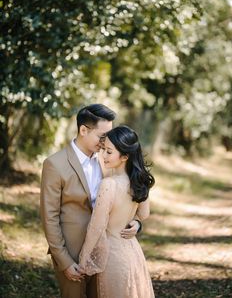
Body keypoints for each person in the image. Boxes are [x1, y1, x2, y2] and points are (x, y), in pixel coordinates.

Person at [40, 104, 142, 298]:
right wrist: (64, 261)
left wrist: (136, 222)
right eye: (102, 136)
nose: (106, 141)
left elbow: (126, 196)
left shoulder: (108, 160)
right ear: (83, 130)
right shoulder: (54, 164)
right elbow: (49, 218)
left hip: (105, 253)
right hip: (72, 253)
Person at [77, 125, 155, 298]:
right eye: (103, 149)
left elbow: (96, 227)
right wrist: (137, 223)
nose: (103, 155)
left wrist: (83, 260)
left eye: (109, 152)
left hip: (113, 258)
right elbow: (143, 215)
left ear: (125, 156)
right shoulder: (139, 180)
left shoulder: (109, 185)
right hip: (133, 253)